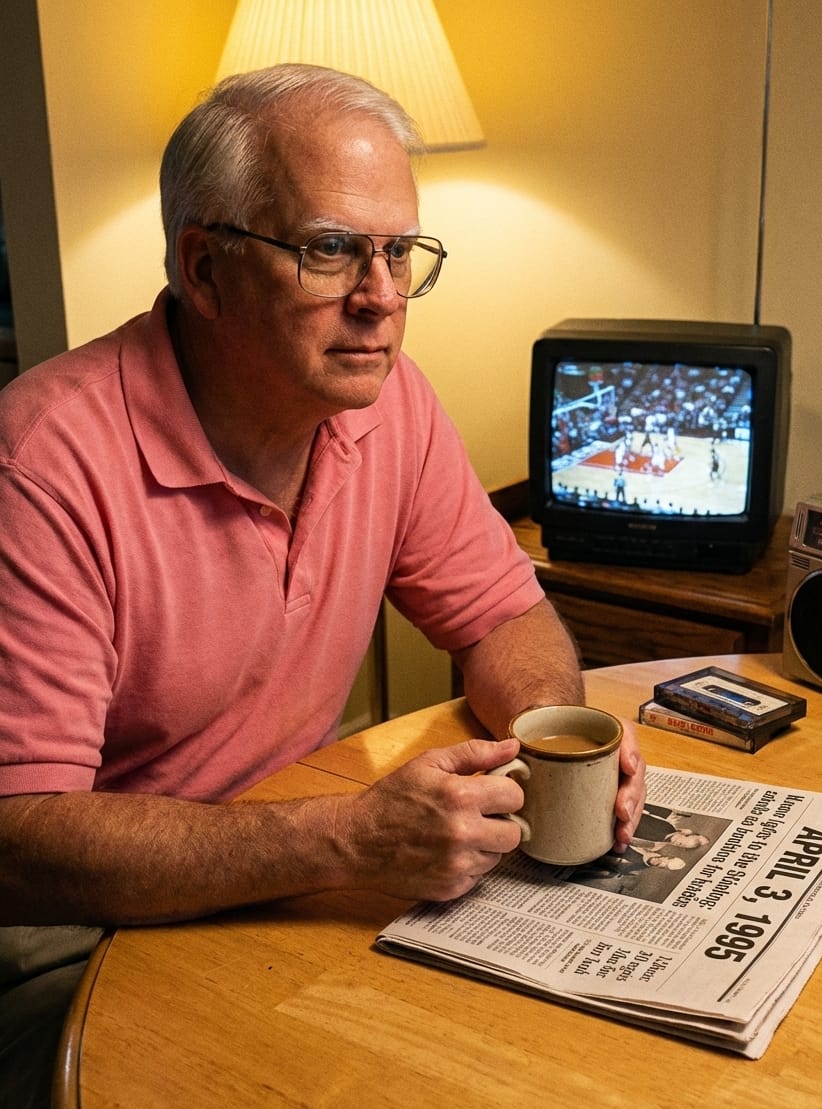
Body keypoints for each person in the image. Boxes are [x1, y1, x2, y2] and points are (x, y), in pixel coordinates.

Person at [0, 64, 646, 1105]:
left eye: (399, 251)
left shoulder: (389, 406)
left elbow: (502, 612)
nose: (383, 299)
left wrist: (553, 735)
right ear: (204, 269)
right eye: (331, 249)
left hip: (289, 881)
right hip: (76, 942)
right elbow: (19, 837)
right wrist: (343, 838)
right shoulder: (42, 462)